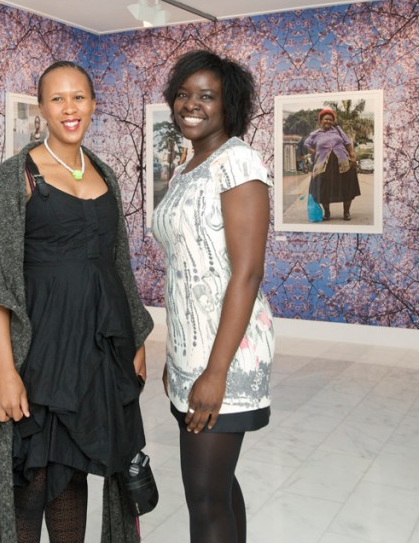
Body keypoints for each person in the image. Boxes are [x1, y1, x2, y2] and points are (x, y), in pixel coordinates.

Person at [0, 61, 153, 543]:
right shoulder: (16, 175)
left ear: (93, 104)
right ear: (41, 108)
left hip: (91, 351)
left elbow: (119, 264)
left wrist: (138, 336)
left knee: (73, 471)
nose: (70, 109)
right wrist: (5, 370)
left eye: (79, 97)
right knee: (30, 479)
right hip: (36, 350)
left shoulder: (105, 173)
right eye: (58, 99)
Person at [151, 50, 275, 543]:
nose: (191, 104)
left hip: (226, 354)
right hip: (192, 350)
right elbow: (185, 270)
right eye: (183, 94)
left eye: (207, 95)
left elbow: (247, 275)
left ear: (230, 105)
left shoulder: (238, 161)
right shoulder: (189, 166)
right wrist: (176, 353)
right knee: (218, 488)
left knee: (204, 498)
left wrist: (215, 371)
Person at [304, 108, 361, 221]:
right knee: (324, 189)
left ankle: (346, 212)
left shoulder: (338, 130)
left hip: (342, 162)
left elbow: (347, 143)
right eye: (326, 119)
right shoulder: (314, 134)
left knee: (346, 187)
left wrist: (352, 155)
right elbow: (306, 144)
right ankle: (327, 213)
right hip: (323, 165)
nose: (328, 122)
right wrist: (315, 152)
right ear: (321, 120)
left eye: (331, 120)